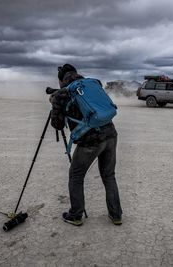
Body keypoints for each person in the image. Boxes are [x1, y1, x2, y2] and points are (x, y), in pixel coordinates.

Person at [49, 63, 123, 226]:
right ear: (76, 74)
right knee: (109, 176)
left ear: (61, 80)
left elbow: (58, 125)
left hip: (90, 141)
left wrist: (55, 103)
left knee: (76, 176)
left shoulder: (62, 94)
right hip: (111, 134)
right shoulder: (91, 84)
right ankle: (116, 215)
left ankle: (75, 215)